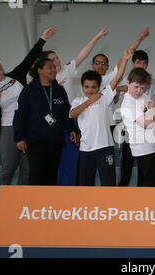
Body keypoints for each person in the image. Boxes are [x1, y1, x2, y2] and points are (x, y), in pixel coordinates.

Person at [0, 27, 56, 186]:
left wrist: (43, 39)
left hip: (27, 127)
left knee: (27, 168)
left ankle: (19, 199)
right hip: (8, 128)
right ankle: (4, 200)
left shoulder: (16, 75)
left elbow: (30, 58)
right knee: (9, 167)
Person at [40, 26, 109, 186]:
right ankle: (56, 189)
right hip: (53, 123)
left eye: (57, 58)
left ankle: (71, 188)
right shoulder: (44, 80)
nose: (56, 61)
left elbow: (83, 53)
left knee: (73, 158)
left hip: (72, 119)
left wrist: (97, 36)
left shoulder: (67, 69)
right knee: (56, 160)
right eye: (52, 59)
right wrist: (54, 85)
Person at [69, 48, 133, 186]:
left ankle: (108, 206)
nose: (90, 90)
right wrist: (89, 102)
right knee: (85, 183)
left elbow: (117, 77)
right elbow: (72, 114)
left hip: (105, 147)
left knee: (108, 182)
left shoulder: (104, 97)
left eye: (93, 87)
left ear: (99, 87)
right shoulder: (78, 101)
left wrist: (125, 59)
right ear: (82, 87)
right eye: (87, 87)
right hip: (86, 149)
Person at [13, 58, 77, 185]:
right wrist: (19, 138)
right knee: (36, 174)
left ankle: (48, 204)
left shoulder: (59, 90)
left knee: (52, 174)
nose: (53, 70)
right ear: (40, 71)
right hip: (36, 141)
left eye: (54, 67)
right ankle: (34, 203)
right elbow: (20, 115)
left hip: (55, 140)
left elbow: (66, 113)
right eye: (49, 67)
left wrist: (72, 129)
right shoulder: (29, 90)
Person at [92, 27, 150, 137]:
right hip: (93, 124)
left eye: (104, 63)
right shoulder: (86, 81)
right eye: (97, 63)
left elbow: (126, 56)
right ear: (92, 65)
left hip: (109, 123)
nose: (100, 66)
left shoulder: (111, 79)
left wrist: (140, 38)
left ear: (108, 66)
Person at [121, 68, 155, 187]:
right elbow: (147, 124)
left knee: (154, 181)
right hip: (143, 149)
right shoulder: (128, 103)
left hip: (154, 146)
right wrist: (154, 111)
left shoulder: (144, 97)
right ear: (128, 83)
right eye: (136, 87)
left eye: (143, 88)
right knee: (149, 184)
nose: (139, 91)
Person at [116, 50, 155, 186]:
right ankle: (122, 188)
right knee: (127, 163)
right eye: (138, 62)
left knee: (143, 167)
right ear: (133, 64)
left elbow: (149, 106)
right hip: (130, 129)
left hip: (145, 132)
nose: (141, 65)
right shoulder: (127, 83)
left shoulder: (148, 84)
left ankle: (141, 191)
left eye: (144, 63)